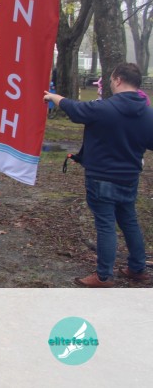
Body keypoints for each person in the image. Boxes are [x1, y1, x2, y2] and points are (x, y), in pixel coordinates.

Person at [43, 62, 153, 287]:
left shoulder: (104, 108)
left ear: (118, 80)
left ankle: (104, 276)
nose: (110, 83)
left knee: (105, 225)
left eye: (111, 79)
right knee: (129, 221)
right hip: (129, 178)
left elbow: (76, 110)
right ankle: (137, 268)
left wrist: (55, 97)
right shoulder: (147, 114)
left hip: (101, 177)